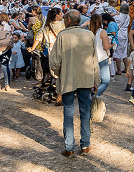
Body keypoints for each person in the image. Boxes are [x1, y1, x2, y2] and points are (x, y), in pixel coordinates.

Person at [49, 10, 99, 157]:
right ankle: (85, 145)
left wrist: (58, 74)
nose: (64, 20)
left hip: (68, 78)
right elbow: (94, 59)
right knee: (85, 111)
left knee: (69, 112)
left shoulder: (63, 36)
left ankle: (69, 147)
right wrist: (96, 80)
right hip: (86, 78)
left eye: (65, 19)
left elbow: (55, 61)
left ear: (69, 21)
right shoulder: (89, 34)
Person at [89, 14, 113, 98]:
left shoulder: (88, 32)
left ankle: (92, 95)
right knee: (105, 81)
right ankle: (95, 95)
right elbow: (106, 47)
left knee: (92, 82)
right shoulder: (102, 32)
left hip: (91, 59)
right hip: (102, 58)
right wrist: (112, 44)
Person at [113, 4, 131, 76]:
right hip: (125, 34)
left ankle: (119, 70)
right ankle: (126, 68)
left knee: (117, 53)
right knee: (124, 52)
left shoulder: (117, 16)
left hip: (118, 34)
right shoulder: (128, 16)